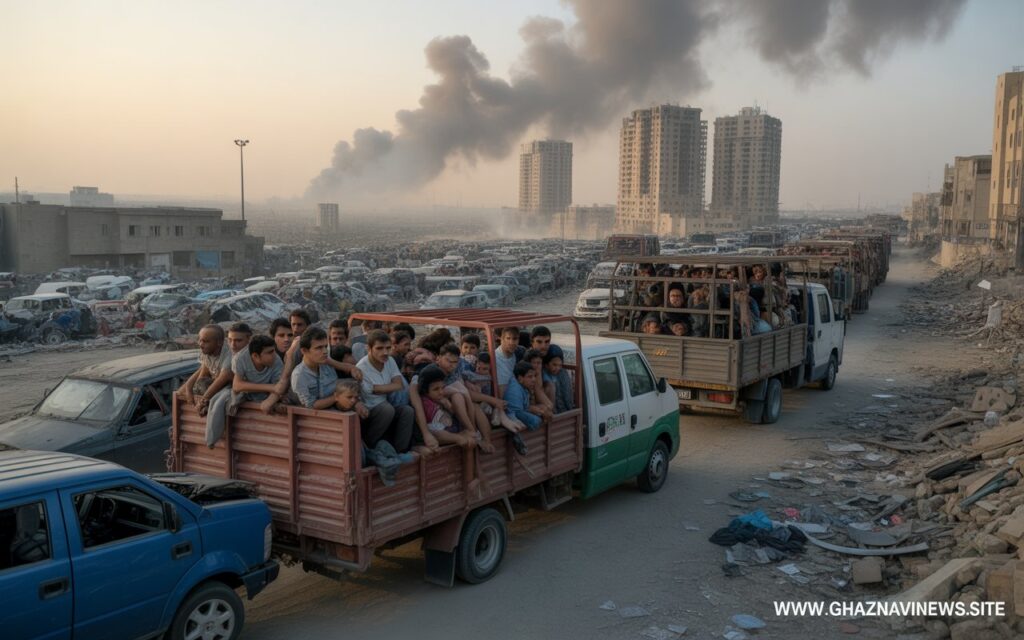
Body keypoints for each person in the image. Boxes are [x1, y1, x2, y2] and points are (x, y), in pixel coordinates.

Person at [356, 330, 415, 452]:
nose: (385, 352)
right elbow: (371, 390)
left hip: (387, 404)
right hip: (369, 411)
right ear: (369, 349)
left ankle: (400, 451)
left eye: (388, 348)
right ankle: (369, 447)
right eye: (379, 348)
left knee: (407, 411)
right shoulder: (362, 367)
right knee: (387, 409)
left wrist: (377, 388)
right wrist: (384, 387)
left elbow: (398, 385)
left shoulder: (390, 361)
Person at [176, 324, 233, 447]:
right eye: (200, 340)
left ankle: (211, 439)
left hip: (229, 386)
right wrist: (188, 390)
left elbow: (222, 379)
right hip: (215, 383)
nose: (201, 344)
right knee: (181, 392)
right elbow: (202, 374)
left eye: (206, 341)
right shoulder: (206, 352)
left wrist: (202, 400)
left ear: (219, 343)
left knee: (218, 401)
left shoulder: (229, 354)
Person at [230, 335, 287, 415]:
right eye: (269, 352)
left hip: (265, 397)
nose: (274, 355)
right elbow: (236, 386)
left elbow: (280, 387)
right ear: (255, 356)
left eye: (274, 350)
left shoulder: (276, 360)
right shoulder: (240, 359)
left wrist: (270, 400)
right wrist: (271, 387)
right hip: (245, 397)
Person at [504, 361, 545, 431]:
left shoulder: (523, 386)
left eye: (534, 376)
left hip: (519, 412)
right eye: (530, 377)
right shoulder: (515, 389)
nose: (534, 380)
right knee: (536, 420)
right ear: (520, 378)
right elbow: (515, 412)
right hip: (514, 415)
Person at [543, 346, 574, 414]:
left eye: (560, 365)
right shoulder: (542, 374)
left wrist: (570, 411)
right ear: (546, 364)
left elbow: (567, 396)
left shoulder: (563, 373)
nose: (557, 368)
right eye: (554, 365)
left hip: (564, 412)